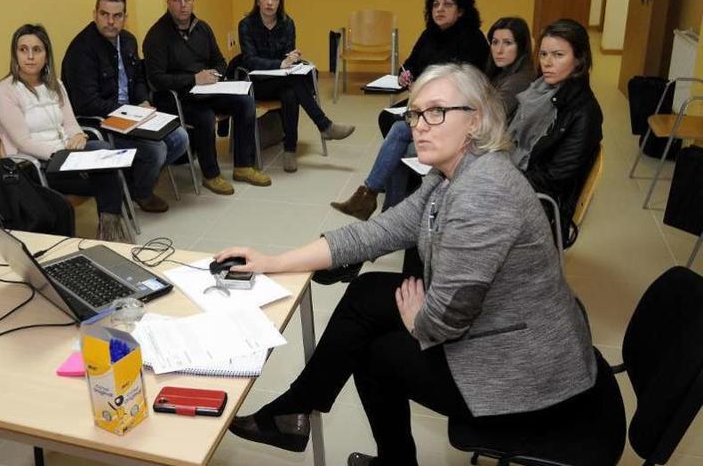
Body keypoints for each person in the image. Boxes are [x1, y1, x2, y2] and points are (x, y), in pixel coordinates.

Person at [221, 64, 597, 466]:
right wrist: (274, 261)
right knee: (366, 292)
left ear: (476, 120)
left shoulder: (482, 195)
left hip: (525, 369)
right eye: (415, 113)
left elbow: (444, 322)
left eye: (436, 111)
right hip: (504, 326)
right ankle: (294, 411)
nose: (419, 125)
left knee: (375, 354)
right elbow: (379, 232)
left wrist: (419, 319)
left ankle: (378, 454)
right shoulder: (452, 172)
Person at [332, 0, 489, 220]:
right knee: (389, 122)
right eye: (435, 4)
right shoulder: (429, 34)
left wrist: (425, 89)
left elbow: (466, 82)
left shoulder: (472, 39)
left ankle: (372, 198)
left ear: (461, 10)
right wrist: (406, 74)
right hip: (427, 105)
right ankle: (389, 211)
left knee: (398, 129)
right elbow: (410, 62)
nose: (440, 9)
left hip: (454, 111)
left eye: (447, 4)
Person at [0, 24, 127, 241]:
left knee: (106, 158)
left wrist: (78, 136)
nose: (30, 56)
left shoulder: (55, 84)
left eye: (37, 50)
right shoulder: (5, 90)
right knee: (108, 177)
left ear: (46, 55)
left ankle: (109, 231)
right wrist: (61, 152)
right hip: (34, 167)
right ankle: (112, 233)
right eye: (23, 49)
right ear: (14, 54)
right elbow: (23, 141)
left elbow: (71, 123)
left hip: (66, 156)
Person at [62, 0, 189, 214]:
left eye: (117, 15)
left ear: (125, 17)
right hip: (100, 122)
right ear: (95, 14)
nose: (111, 21)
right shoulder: (81, 50)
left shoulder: (128, 40)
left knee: (180, 137)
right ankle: (141, 193)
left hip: (132, 116)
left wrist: (142, 101)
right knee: (156, 150)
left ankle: (133, 185)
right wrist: (129, 111)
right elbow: (86, 103)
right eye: (104, 14)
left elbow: (139, 78)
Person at [143, 0, 270, 195]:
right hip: (175, 97)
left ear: (193, 1)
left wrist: (214, 75)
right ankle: (211, 175)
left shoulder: (202, 28)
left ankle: (243, 166)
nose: (183, 5)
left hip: (206, 90)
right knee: (205, 116)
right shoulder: (156, 36)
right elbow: (157, 80)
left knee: (245, 101)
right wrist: (193, 79)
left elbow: (220, 60)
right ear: (168, 2)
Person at [238, 0, 355, 172]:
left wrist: (291, 58)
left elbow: (287, 55)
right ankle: (324, 126)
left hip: (283, 81)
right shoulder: (246, 25)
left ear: (279, 2)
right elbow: (250, 61)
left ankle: (290, 149)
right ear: (257, 1)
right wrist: (280, 64)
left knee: (291, 91)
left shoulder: (287, 23)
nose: (269, 3)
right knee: (294, 82)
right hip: (257, 83)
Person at [509, 18, 602, 246]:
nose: (547, 63)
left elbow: (553, 180)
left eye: (558, 55)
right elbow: (508, 137)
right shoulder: (537, 91)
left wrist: (497, 178)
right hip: (517, 180)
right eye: (543, 54)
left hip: (543, 204)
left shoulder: (585, 113)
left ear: (579, 59)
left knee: (449, 213)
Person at [485, 16, 536, 119]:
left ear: (521, 46)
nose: (499, 50)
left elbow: (490, 116)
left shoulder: (520, 80)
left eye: (508, 43)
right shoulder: (501, 72)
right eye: (495, 42)